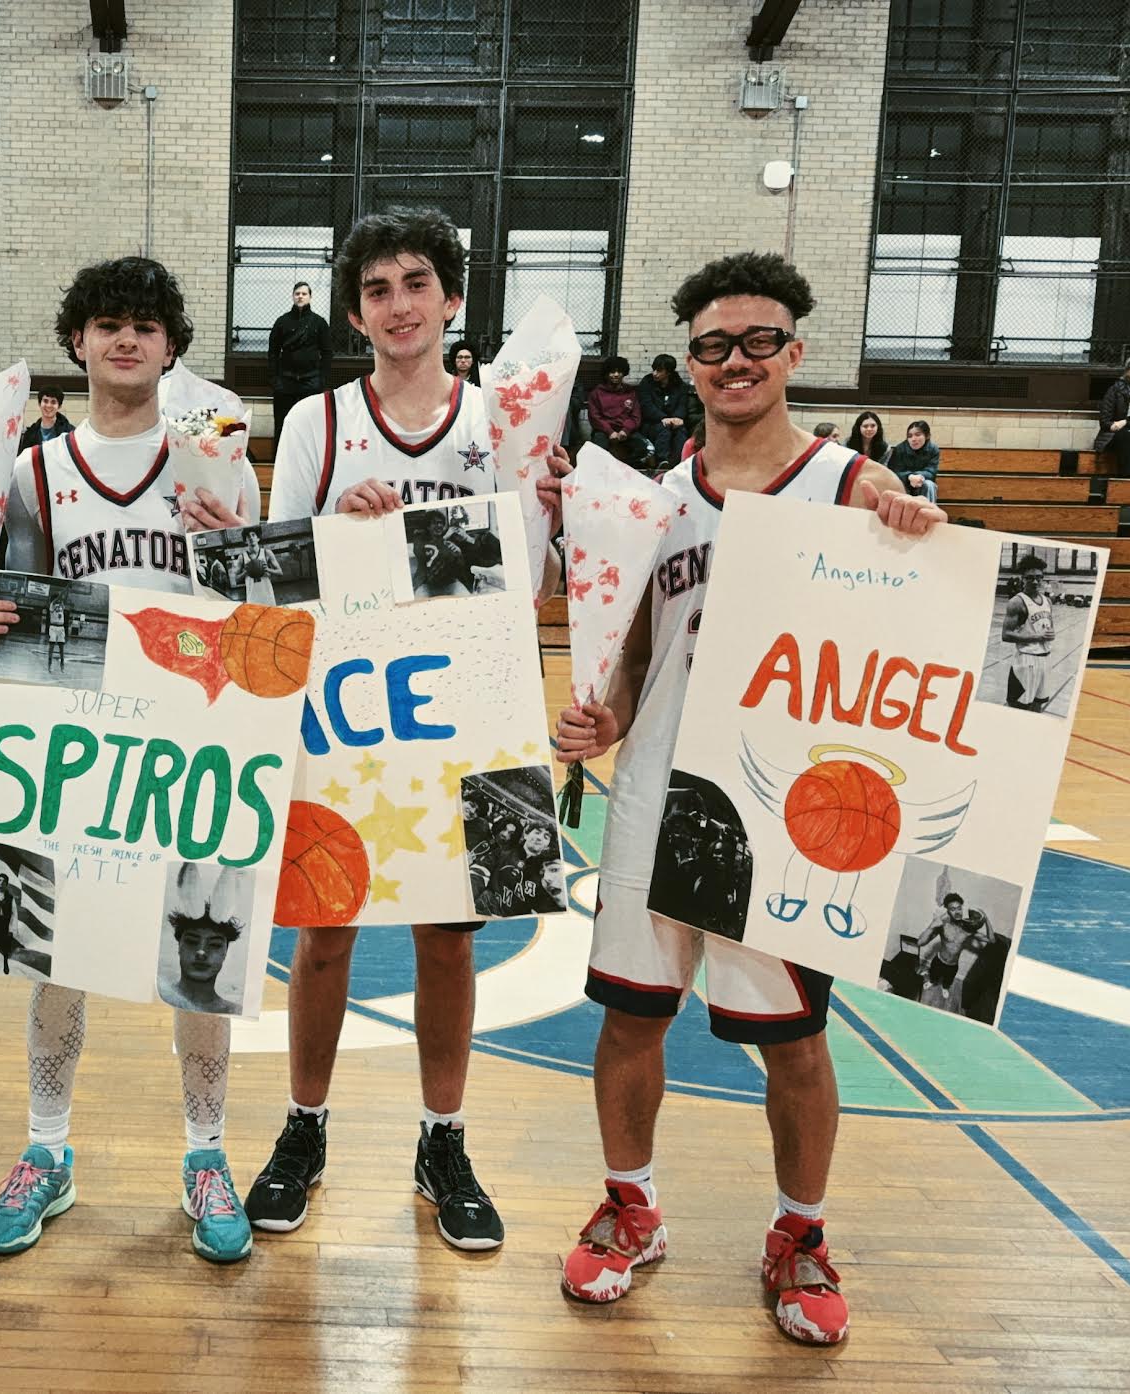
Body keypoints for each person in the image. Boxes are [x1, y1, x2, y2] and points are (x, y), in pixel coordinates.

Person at [552, 252, 945, 1342]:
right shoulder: (652, 500)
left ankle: (800, 1233)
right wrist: (601, 718)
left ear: (794, 352)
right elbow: (634, 659)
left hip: (783, 808)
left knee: (794, 1039)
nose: (738, 361)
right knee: (631, 1016)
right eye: (715, 345)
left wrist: (916, 532)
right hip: (655, 790)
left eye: (759, 341)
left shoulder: (853, 489)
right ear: (689, 361)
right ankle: (631, 1208)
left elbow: (921, 639)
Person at [255, 207, 569, 1254]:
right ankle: (304, 1125)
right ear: (354, 312)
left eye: (417, 283)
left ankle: (444, 1138)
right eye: (378, 289)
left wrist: (550, 510)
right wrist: (340, 532)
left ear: (453, 299)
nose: (399, 305)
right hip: (351, 701)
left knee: (451, 933)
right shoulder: (317, 422)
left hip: (475, 703)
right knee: (326, 928)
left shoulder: (505, 420)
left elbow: (540, 583)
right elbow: (281, 575)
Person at [0, 255, 263, 1264]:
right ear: (78, 342)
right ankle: (47, 1148)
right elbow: (11, 615)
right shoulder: (33, 473)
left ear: (171, 349)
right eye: (107, 324)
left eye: (146, 325)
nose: (127, 339)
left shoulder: (217, 456)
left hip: (196, 740)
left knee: (202, 956)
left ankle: (207, 1152)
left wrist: (246, 554)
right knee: (58, 957)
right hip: (76, 744)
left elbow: (259, 614)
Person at [268, 281, 329, 440]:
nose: (300, 296)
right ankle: (279, 453)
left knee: (311, 424)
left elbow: (327, 352)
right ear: (292, 296)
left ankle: (311, 455)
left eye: (304, 294)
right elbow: (273, 352)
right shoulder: (282, 322)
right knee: (282, 423)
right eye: (297, 294)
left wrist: (321, 380)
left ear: (310, 297)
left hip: (311, 381)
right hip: (285, 381)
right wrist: (275, 379)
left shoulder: (319, 322)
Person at [1001, 554, 1056, 712]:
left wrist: (1051, 634)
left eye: (1039, 577)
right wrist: (1037, 637)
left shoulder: (1047, 601)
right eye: (1030, 578)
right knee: (1018, 707)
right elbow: (1006, 635)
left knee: (1039, 703)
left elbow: (1048, 627)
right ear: (1023, 579)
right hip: (1026, 660)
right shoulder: (1016, 602)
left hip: (1045, 659)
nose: (1035, 581)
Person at [636, 353, 699, 476]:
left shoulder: (679, 385)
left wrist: (677, 418)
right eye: (654, 370)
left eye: (659, 371)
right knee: (664, 430)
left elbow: (682, 404)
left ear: (668, 372)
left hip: (672, 422)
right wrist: (663, 418)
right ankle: (662, 462)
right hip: (652, 423)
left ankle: (679, 464)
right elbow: (646, 406)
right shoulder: (647, 383)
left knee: (681, 432)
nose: (655, 373)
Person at [586, 356, 643, 463]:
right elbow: (595, 417)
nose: (616, 375)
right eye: (612, 372)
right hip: (603, 431)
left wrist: (626, 430)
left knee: (645, 449)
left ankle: (626, 469)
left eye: (619, 372)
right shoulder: (596, 393)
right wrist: (610, 432)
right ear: (606, 374)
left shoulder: (630, 392)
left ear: (624, 373)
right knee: (599, 451)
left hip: (626, 431)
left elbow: (635, 416)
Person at [884, 419, 939, 502]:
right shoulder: (900, 449)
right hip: (904, 483)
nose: (913, 439)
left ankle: (928, 509)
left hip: (922, 481)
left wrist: (918, 476)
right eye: (910, 436)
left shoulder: (933, 449)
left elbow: (931, 472)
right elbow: (894, 472)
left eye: (918, 435)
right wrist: (909, 477)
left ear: (927, 436)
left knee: (929, 485)